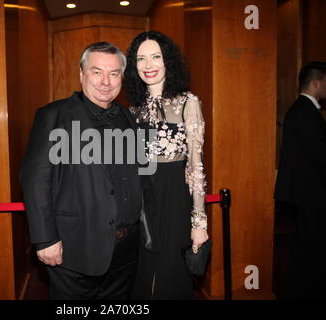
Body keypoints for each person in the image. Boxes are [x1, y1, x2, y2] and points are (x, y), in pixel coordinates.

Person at [19, 42, 145, 299]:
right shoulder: (53, 116)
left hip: (126, 252)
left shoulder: (131, 119)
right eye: (96, 72)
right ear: (81, 74)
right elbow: (35, 179)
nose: (105, 82)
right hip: (74, 248)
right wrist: (44, 240)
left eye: (113, 73)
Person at [123, 31, 209, 300]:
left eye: (156, 57)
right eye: (141, 59)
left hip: (174, 198)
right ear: (134, 66)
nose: (148, 65)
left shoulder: (187, 102)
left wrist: (199, 222)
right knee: (142, 273)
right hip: (141, 201)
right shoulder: (133, 109)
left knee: (170, 276)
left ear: (167, 61)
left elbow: (196, 168)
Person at [275, 61, 326, 299]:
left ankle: (301, 287)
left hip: (305, 190)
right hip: (311, 192)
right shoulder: (306, 112)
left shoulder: (300, 109)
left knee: (308, 244)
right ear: (316, 82)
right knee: (312, 245)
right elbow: (320, 156)